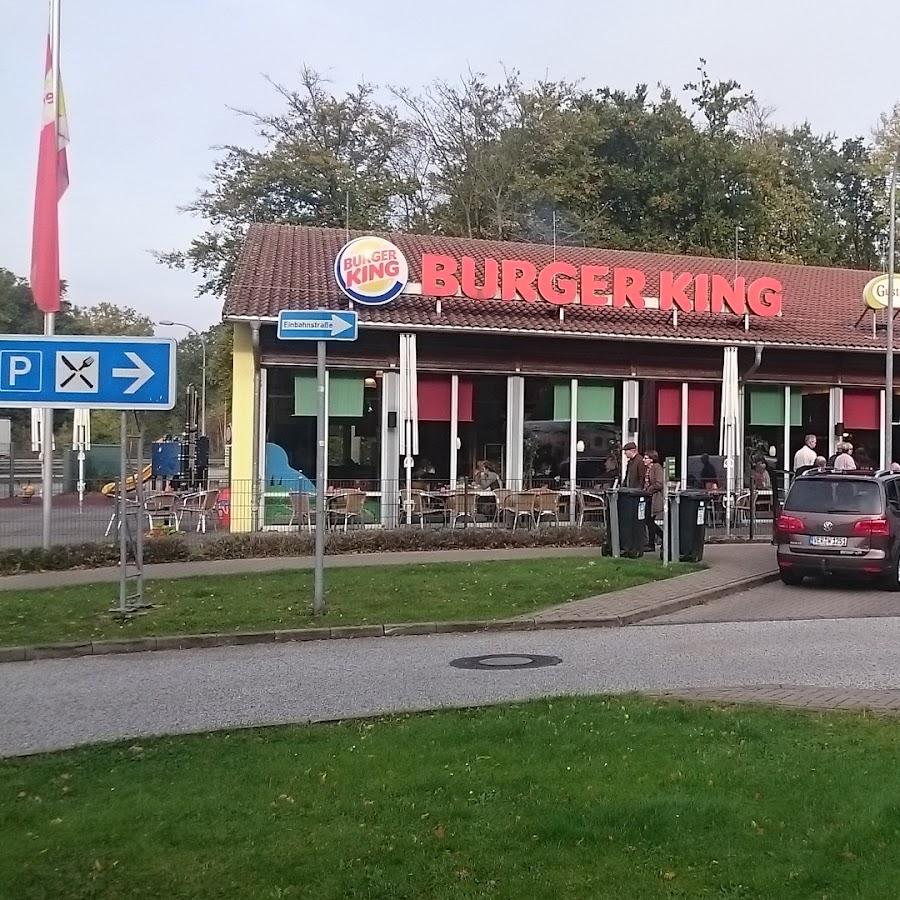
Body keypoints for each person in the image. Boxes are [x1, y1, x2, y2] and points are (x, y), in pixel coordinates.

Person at [642, 451, 665, 551]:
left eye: (646, 458)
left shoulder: (657, 467)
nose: (644, 460)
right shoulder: (648, 469)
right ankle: (652, 543)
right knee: (648, 520)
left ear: (651, 459)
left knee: (649, 520)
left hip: (655, 498)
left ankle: (663, 538)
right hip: (648, 497)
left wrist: (649, 489)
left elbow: (660, 483)